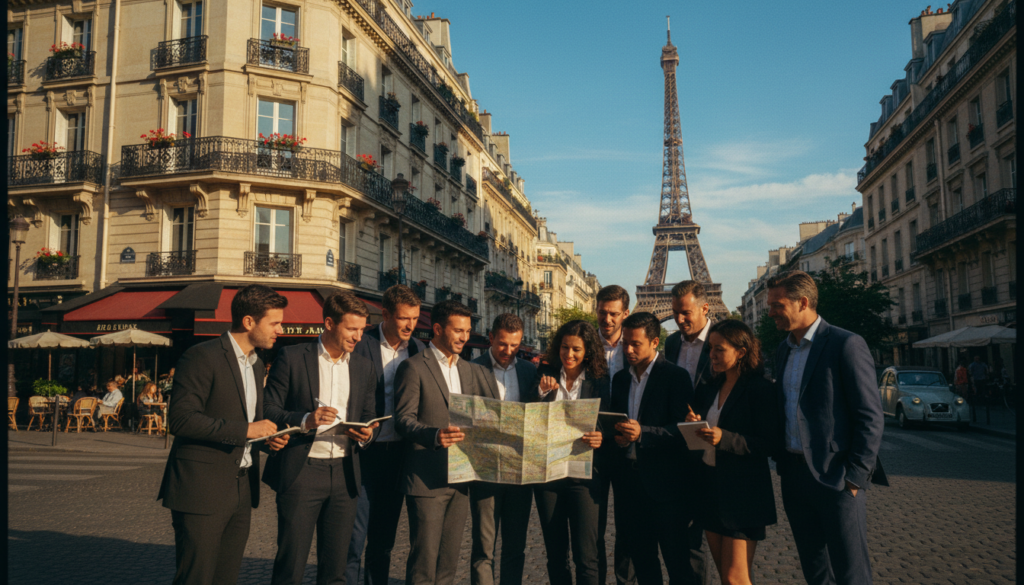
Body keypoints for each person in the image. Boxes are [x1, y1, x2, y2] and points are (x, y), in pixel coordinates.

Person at [157, 284, 291, 585]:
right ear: (248, 322)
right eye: (274, 323)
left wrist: (267, 440)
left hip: (242, 487)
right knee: (197, 577)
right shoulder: (202, 356)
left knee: (226, 577)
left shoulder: (256, 364)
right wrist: (246, 430)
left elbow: (250, 423)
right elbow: (180, 419)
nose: (280, 329)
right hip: (201, 489)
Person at [766, 270, 886, 585]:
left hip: (836, 478)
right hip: (794, 475)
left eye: (777, 305)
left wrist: (855, 478)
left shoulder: (846, 343)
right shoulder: (783, 349)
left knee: (851, 573)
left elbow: (870, 415)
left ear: (803, 301)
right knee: (815, 571)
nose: (771, 312)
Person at [262, 292, 380, 585]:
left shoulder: (364, 366)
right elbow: (268, 408)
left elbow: (369, 414)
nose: (358, 336)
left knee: (336, 569)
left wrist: (367, 433)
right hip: (302, 471)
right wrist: (305, 420)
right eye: (352, 329)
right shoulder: (292, 357)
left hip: (345, 475)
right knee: (291, 565)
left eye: (362, 329)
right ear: (329, 323)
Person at [394, 300, 499, 585]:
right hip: (426, 479)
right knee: (424, 563)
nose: (464, 337)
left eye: (467, 331)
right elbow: (403, 419)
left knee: (449, 561)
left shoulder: (470, 369)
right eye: (458, 330)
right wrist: (434, 436)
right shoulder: (413, 367)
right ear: (438, 329)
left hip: (461, 478)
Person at [684, 319, 778, 585]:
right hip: (711, 489)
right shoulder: (710, 388)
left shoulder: (760, 389)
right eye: (710, 348)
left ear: (741, 351)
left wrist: (724, 438)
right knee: (727, 577)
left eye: (719, 349)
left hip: (743, 495)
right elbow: (705, 433)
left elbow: (768, 444)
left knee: (735, 578)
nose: (711, 355)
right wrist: (695, 425)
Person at [345, 284, 426, 585]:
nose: (411, 325)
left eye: (415, 319)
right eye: (405, 319)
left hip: (399, 455)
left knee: (384, 539)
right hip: (364, 453)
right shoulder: (361, 344)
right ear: (386, 314)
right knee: (354, 537)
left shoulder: (419, 350)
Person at [608, 312, 694, 585]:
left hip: (665, 485)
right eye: (625, 344)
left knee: (677, 561)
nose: (628, 350)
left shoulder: (676, 376)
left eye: (636, 344)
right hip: (630, 483)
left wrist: (642, 434)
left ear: (655, 342)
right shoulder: (621, 379)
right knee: (643, 561)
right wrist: (620, 437)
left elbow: (682, 429)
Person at [529, 319, 608, 585]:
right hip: (549, 475)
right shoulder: (544, 374)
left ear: (588, 351)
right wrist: (540, 393)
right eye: (564, 347)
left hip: (584, 477)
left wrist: (602, 437)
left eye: (576, 349)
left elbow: (611, 423)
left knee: (587, 556)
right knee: (555, 553)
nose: (569, 355)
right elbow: (528, 419)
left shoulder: (600, 382)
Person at [468, 313, 539, 585]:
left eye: (515, 345)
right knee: (483, 548)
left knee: (515, 547)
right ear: (491, 339)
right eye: (503, 345)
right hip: (485, 470)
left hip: (520, 472)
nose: (509, 351)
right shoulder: (472, 369)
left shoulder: (529, 371)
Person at [661, 280, 715, 581]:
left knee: (699, 536)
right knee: (676, 533)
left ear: (705, 308)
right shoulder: (671, 343)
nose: (679, 320)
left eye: (685, 313)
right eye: (675, 314)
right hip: (677, 450)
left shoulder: (722, 340)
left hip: (711, 448)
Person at [593, 285, 636, 585]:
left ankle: (625, 581)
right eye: (602, 312)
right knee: (592, 528)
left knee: (628, 525)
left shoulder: (635, 345)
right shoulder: (583, 343)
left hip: (625, 447)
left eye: (613, 314)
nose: (607, 319)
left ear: (625, 314)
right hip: (591, 447)